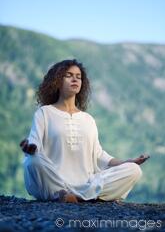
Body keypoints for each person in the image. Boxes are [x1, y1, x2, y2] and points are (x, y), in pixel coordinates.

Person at [20, 59, 150, 203]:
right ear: (56, 81)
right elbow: (34, 146)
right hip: (54, 181)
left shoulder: (88, 119)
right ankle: (72, 194)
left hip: (86, 182)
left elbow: (99, 155)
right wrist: (30, 149)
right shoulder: (44, 113)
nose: (75, 79)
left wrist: (127, 162)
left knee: (134, 170)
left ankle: (76, 196)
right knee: (32, 161)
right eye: (69, 75)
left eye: (78, 76)